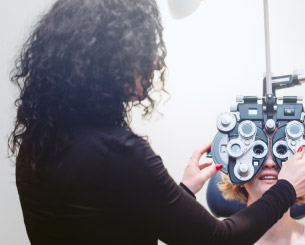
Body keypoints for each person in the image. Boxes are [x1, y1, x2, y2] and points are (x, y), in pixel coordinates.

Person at [8, 0, 305, 244]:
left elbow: (112, 226)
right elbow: (219, 241)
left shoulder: (40, 146)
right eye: (143, 53)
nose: (154, 64)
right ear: (109, 60)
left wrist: (182, 192)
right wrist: (286, 188)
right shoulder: (118, 151)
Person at [219, 149, 305, 245]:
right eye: (258, 151)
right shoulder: (217, 237)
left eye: (281, 151)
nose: (270, 163)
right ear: (237, 175)